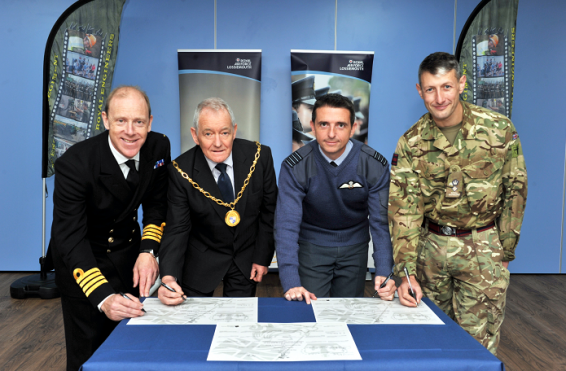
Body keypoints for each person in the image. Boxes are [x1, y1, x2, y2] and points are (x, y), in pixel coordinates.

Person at [389, 52, 527, 355]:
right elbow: (404, 210)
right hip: (431, 251)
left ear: (461, 83)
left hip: (483, 248)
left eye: (446, 87)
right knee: (429, 341)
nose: (439, 98)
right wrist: (406, 272)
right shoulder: (411, 142)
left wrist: (505, 248)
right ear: (419, 90)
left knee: (478, 347)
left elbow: (515, 188)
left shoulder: (498, 129)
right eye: (430, 89)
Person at [48, 86, 170, 370]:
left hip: (130, 258)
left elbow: (156, 203)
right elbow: (70, 239)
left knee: (135, 350)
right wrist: (103, 297)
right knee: (91, 358)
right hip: (85, 264)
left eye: (139, 122)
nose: (130, 131)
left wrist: (149, 251)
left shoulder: (158, 146)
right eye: (120, 121)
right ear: (105, 120)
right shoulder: (74, 165)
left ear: (150, 122)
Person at [276, 93, 395, 304]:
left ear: (353, 127)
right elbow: (286, 224)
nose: (331, 134)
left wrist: (384, 272)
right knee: (311, 312)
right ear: (312, 126)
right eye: (324, 124)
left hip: (355, 247)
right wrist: (291, 280)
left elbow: (380, 223)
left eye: (340, 125)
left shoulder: (374, 164)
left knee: (349, 314)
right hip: (311, 246)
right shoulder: (295, 166)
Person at [158, 97, 277, 303]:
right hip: (200, 259)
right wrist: (168, 276)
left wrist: (262, 257)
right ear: (195, 135)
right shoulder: (180, 171)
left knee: (239, 326)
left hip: (245, 259)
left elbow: (269, 212)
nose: (218, 143)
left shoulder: (260, 156)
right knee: (195, 328)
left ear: (234, 131)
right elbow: (177, 228)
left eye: (224, 132)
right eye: (208, 134)